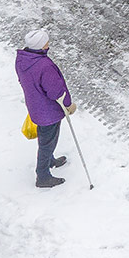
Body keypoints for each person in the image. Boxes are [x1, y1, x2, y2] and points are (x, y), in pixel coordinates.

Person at [16, 29, 76, 189]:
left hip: (36, 106)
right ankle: (42, 175)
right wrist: (69, 105)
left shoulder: (23, 60)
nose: (48, 44)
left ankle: (50, 160)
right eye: (46, 42)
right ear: (41, 46)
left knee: (47, 140)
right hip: (48, 111)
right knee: (47, 142)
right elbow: (56, 91)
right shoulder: (44, 66)